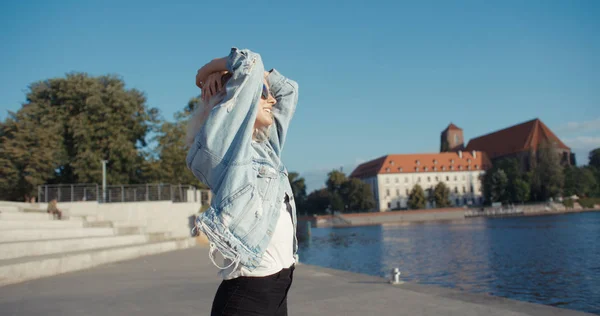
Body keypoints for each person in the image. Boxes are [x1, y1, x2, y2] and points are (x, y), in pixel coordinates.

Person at [186, 47, 299, 316]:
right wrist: (208, 72)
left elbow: (289, 91)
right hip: (247, 298)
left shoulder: (264, 148)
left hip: (278, 293)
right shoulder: (223, 150)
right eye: (263, 94)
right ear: (232, 98)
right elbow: (250, 63)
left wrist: (262, 82)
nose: (271, 100)